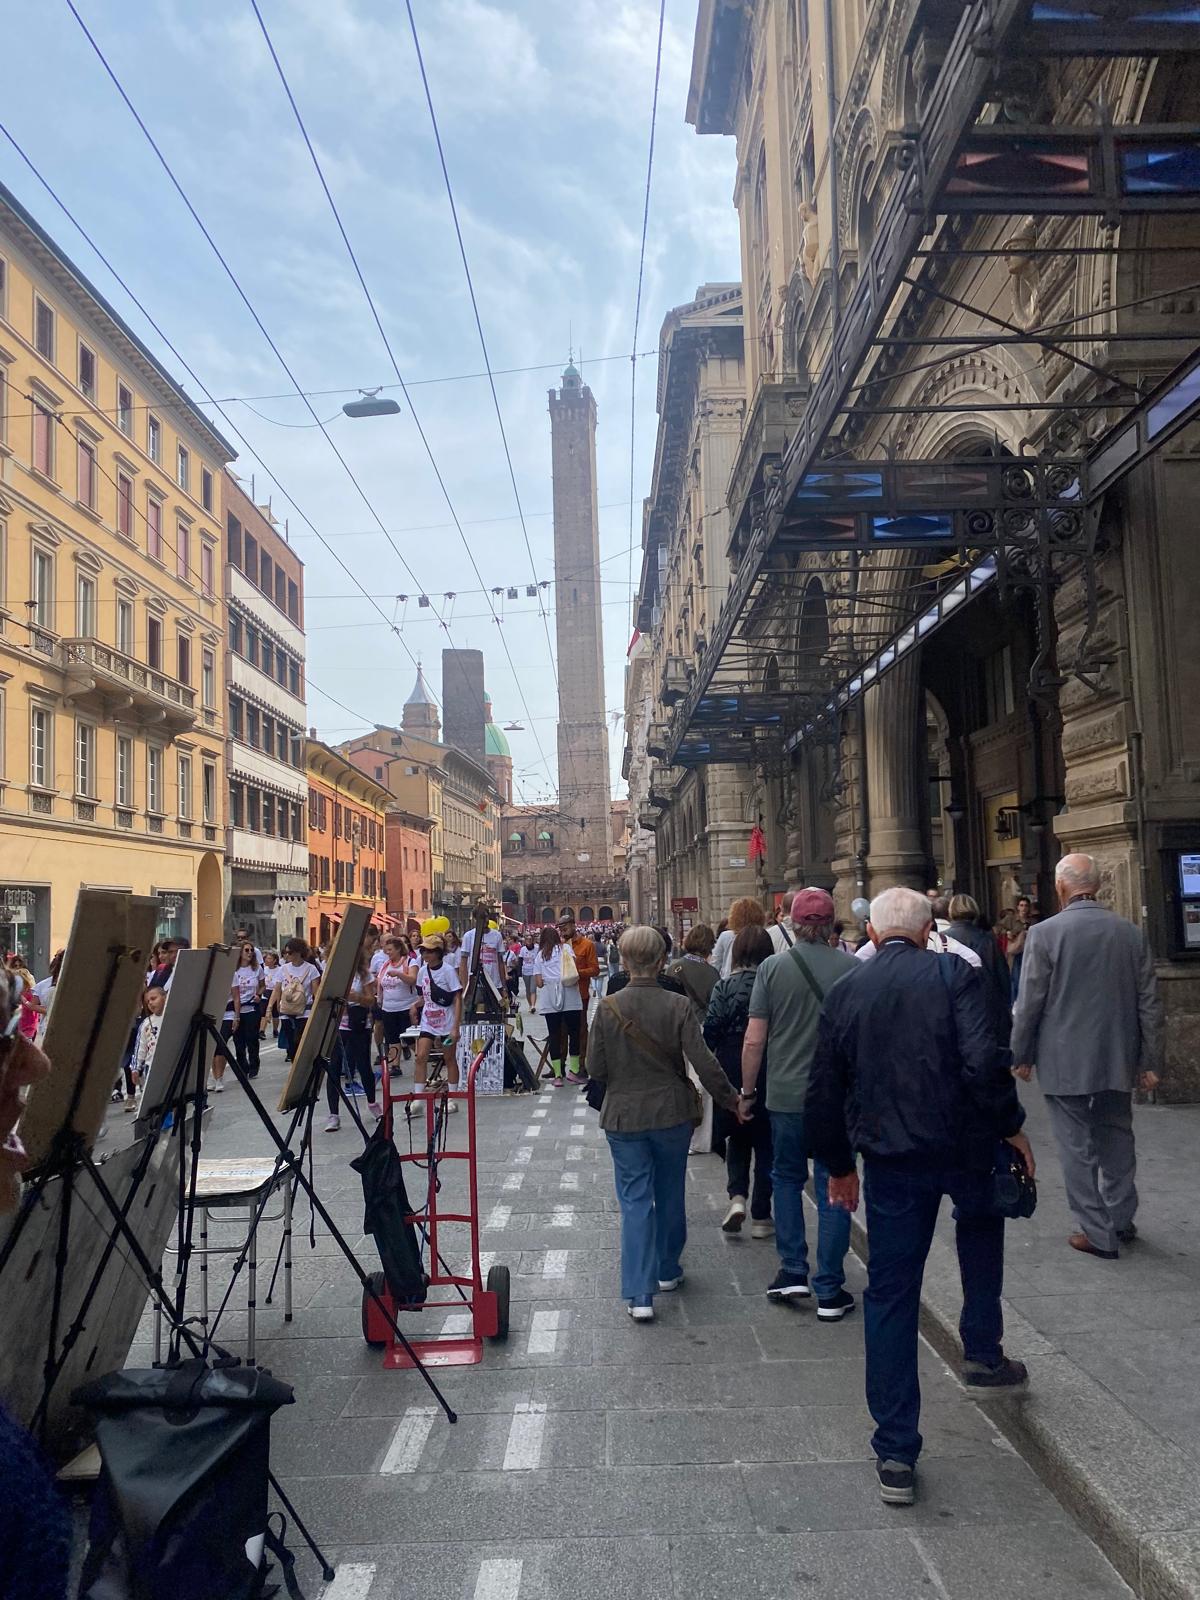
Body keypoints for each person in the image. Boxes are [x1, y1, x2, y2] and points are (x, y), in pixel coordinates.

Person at [807, 885, 1035, 1507]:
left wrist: (839, 1166)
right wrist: (1011, 1127)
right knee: (980, 1231)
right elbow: (984, 1062)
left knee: (890, 1292)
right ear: (929, 929)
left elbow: (824, 1088)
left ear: (873, 934)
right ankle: (982, 1352)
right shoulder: (954, 975)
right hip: (963, 1145)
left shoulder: (847, 990)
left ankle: (896, 1451)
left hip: (891, 1160)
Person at [586, 925, 746, 1321]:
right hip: (672, 1113)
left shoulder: (608, 1008)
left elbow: (595, 1068)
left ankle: (640, 1294)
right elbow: (704, 1061)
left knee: (635, 1200)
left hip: (624, 1116)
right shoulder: (678, 1005)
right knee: (670, 1190)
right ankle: (668, 1267)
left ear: (624, 961)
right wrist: (732, 1099)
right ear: (661, 961)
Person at [1010, 853, 1163, 1259]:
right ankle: (1120, 1218)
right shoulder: (1130, 932)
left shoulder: (1044, 934)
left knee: (1075, 1145)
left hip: (1063, 1058)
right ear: (1097, 886)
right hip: (1118, 1054)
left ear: (1061, 887)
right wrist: (1150, 1060)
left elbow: (1030, 1002)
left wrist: (1021, 1053)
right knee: (1117, 1136)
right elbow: (1149, 1001)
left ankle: (1097, 1231)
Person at [740, 887, 859, 1316]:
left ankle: (793, 1271)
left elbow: (754, 1040)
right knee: (835, 1182)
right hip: (838, 1099)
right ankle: (829, 1287)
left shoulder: (772, 968)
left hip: (787, 1095)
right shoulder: (853, 968)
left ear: (792, 923)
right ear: (830, 925)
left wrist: (747, 1093)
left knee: (786, 1179)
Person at [704, 927, 776, 1237]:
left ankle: (737, 1197)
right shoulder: (773, 983)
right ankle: (761, 1215)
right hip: (769, 1063)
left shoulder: (724, 985)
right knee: (766, 1140)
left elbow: (711, 1031)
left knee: (738, 1134)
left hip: (731, 1064)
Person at [325, 947, 379, 1131]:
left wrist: (356, 997)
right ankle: (333, 1114)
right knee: (333, 1067)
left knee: (363, 1065)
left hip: (358, 1023)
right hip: (338, 1024)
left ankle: (372, 1103)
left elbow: (371, 1000)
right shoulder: (333, 974)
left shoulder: (364, 975)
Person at [946, 893, 1012, 1043]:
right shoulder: (987, 939)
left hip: (953, 1010)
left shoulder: (942, 940)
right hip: (986, 1010)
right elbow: (1003, 978)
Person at [411, 933, 462, 1106]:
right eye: (424, 951)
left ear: (439, 953)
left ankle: (453, 1097)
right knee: (420, 1056)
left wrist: (455, 1026)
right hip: (428, 1021)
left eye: (430, 951)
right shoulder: (422, 972)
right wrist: (414, 1006)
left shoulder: (448, 971)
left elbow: (457, 997)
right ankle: (418, 1098)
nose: (426, 954)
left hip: (447, 1021)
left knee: (449, 1058)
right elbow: (424, 996)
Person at [534, 926, 585, 1083]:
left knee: (554, 1035)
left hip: (550, 998)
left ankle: (557, 1075)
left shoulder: (540, 956)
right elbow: (573, 968)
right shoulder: (566, 949)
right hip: (570, 996)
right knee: (574, 1034)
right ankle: (574, 1071)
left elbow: (539, 983)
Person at [559, 915, 600, 1066]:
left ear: (573, 925)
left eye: (565, 928)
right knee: (561, 1030)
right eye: (561, 929)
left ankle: (582, 1065)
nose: (563, 931)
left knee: (581, 1030)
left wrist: (576, 973)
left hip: (580, 994)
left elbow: (595, 969)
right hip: (561, 995)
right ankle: (560, 1065)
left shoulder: (587, 945)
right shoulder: (559, 946)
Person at [272, 938, 322, 1063]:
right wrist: (274, 1006)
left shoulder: (311, 969)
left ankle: (304, 1066)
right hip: (286, 1010)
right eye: (285, 952)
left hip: (305, 1010)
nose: (286, 955)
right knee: (291, 1044)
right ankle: (295, 1066)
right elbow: (277, 989)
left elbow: (315, 992)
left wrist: (317, 1010)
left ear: (299, 952)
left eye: (289, 952)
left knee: (300, 1041)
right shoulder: (283, 969)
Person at [664, 925, 720, 1019]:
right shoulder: (712, 973)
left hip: (677, 1021)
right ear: (711, 945)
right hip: (701, 1023)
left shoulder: (673, 968)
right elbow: (717, 1006)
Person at [230, 941, 263, 1080]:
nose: (250, 953)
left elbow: (262, 985)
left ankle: (254, 1066)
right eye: (247, 950)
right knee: (239, 1041)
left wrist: (258, 995)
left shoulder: (257, 969)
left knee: (252, 1039)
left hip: (251, 1009)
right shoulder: (233, 970)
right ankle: (242, 1067)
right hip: (236, 1009)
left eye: (251, 950)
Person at [711, 897, 767, 979]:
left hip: (729, 979)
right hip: (756, 978)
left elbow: (715, 963)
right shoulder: (762, 936)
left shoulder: (725, 936)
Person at [132, 984, 166, 1105]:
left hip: (170, 1063)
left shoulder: (172, 1017)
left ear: (165, 997)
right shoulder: (146, 1024)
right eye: (147, 1001)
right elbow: (140, 1047)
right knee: (156, 1098)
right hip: (151, 1066)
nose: (150, 1003)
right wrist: (136, 1068)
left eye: (153, 998)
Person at [460, 919, 507, 1007]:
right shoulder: (468, 936)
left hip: (494, 983)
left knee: (496, 1009)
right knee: (475, 1009)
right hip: (475, 983)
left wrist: (503, 986)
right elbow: (463, 963)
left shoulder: (497, 935)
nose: (484, 920)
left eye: (486, 917)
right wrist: (465, 986)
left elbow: (500, 962)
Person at [259, 950, 282, 1039]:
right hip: (266, 991)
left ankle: (275, 1030)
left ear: (275, 960)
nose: (267, 960)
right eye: (266, 958)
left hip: (275, 991)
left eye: (269, 958)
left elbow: (278, 984)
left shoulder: (279, 969)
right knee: (263, 1011)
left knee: (275, 1012)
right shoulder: (264, 969)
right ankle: (262, 1031)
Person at [520, 933, 539, 1006]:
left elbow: (539, 960)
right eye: (527, 939)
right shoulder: (523, 949)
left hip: (534, 971)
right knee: (528, 990)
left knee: (533, 989)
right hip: (525, 971)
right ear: (525, 941)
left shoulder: (537, 948)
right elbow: (520, 960)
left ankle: (533, 1006)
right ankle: (530, 1005)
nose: (529, 941)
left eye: (530, 939)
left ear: (533, 940)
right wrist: (519, 972)